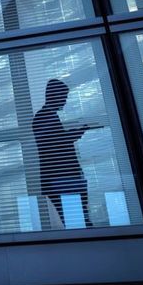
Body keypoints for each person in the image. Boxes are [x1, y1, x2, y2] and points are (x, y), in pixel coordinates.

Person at [30, 78, 97, 228]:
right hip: (62, 178)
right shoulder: (44, 117)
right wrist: (80, 130)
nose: (65, 101)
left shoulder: (47, 116)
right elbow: (57, 142)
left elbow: (56, 141)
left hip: (61, 178)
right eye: (63, 97)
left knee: (77, 220)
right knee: (78, 222)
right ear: (54, 95)